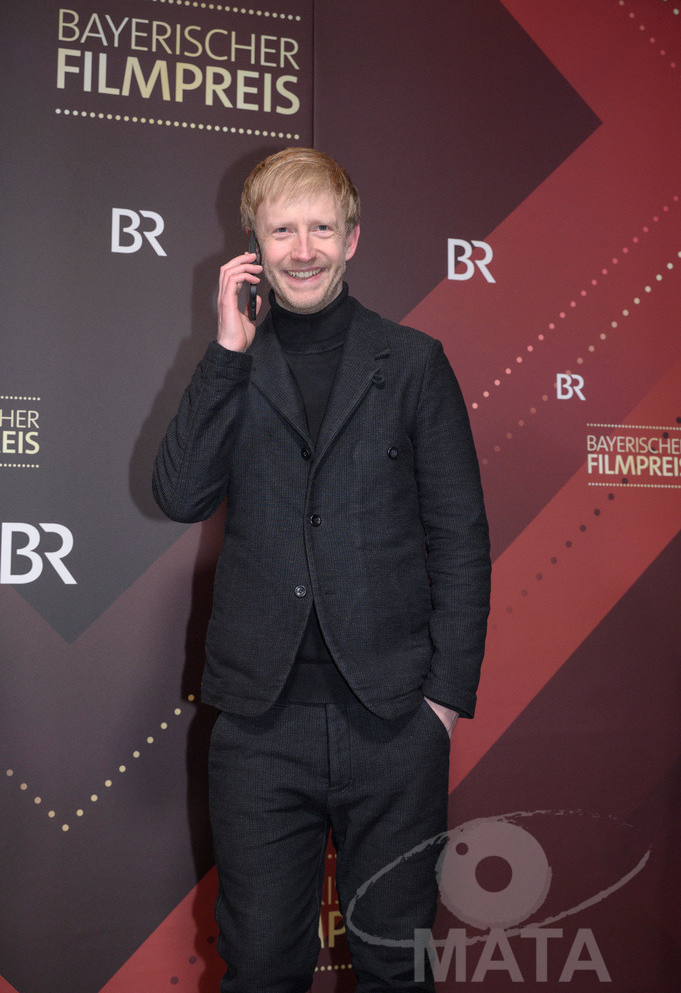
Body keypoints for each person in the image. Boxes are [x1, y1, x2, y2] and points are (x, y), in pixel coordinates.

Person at [152, 147, 491, 992]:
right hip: (260, 729)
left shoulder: (413, 363)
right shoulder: (235, 364)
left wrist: (442, 703)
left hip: (392, 723)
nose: (301, 249)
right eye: (282, 230)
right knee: (262, 965)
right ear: (252, 246)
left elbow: (459, 539)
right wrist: (227, 349)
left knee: (392, 965)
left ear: (352, 239)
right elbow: (179, 494)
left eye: (320, 229)